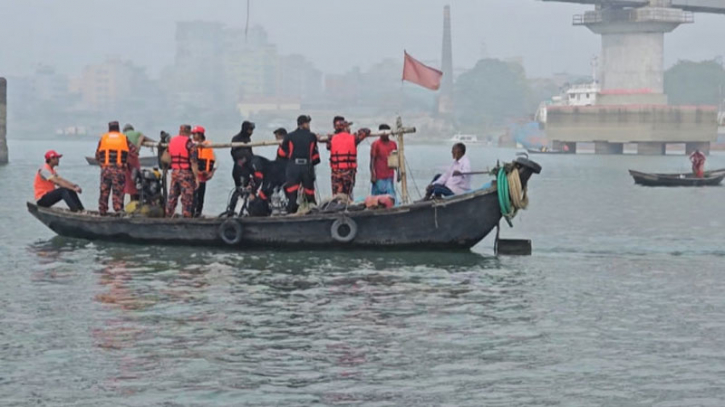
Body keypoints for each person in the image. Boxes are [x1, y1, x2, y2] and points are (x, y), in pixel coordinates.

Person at [278, 115, 320, 213]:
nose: (309, 125)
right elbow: (315, 157)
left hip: (293, 167)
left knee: (292, 193)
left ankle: (291, 212)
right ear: (304, 124)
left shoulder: (289, 136)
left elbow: (281, 153)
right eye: (308, 123)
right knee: (309, 192)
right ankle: (312, 212)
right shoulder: (312, 136)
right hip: (307, 167)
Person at [96, 121, 135, 215]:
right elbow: (133, 150)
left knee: (104, 190)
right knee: (118, 191)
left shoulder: (103, 139)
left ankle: (102, 210)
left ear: (109, 129)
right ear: (118, 128)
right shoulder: (124, 138)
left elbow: (97, 155)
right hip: (119, 169)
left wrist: (102, 164)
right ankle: (118, 210)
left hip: (106, 169)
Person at [327, 116, 370, 197]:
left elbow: (328, 147)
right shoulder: (353, 138)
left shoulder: (332, 139)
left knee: (336, 195)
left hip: (336, 173)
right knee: (347, 195)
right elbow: (367, 131)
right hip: (348, 172)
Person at [166, 125, 198, 218]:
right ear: (189, 132)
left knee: (172, 195)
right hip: (185, 173)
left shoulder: (172, 142)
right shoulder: (190, 144)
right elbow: (193, 162)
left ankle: (168, 214)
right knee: (187, 198)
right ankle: (186, 216)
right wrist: (196, 178)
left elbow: (166, 158)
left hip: (175, 172)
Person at [122, 124, 153, 201]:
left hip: (123, 160)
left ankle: (120, 206)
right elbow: (147, 139)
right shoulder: (138, 134)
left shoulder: (122, 135)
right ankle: (134, 202)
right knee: (135, 180)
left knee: (123, 183)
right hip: (133, 159)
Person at [191, 126, 215, 217]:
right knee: (192, 196)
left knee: (200, 196)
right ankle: (191, 212)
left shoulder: (208, 145)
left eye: (195, 134)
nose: (193, 136)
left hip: (203, 176)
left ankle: (198, 213)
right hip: (193, 175)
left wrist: (211, 173)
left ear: (200, 135)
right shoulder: (191, 145)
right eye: (192, 134)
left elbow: (215, 161)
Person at [370, 123, 398, 199]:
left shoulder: (393, 144)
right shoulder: (376, 144)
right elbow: (372, 160)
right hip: (379, 176)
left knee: (390, 195)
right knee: (378, 196)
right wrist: (373, 174)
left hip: (390, 175)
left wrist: (398, 173)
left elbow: (396, 159)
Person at [231, 121, 255, 188]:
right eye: (250, 130)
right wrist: (245, 155)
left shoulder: (248, 139)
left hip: (247, 168)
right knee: (240, 188)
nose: (251, 132)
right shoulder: (236, 138)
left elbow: (250, 152)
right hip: (239, 168)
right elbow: (234, 154)